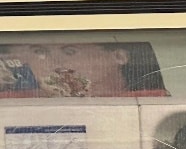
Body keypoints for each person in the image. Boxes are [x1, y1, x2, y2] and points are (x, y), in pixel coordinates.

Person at [0, 42, 168, 98]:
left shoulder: (153, 102)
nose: (53, 62)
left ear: (119, 56)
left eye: (69, 52)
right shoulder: (12, 104)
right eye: (39, 51)